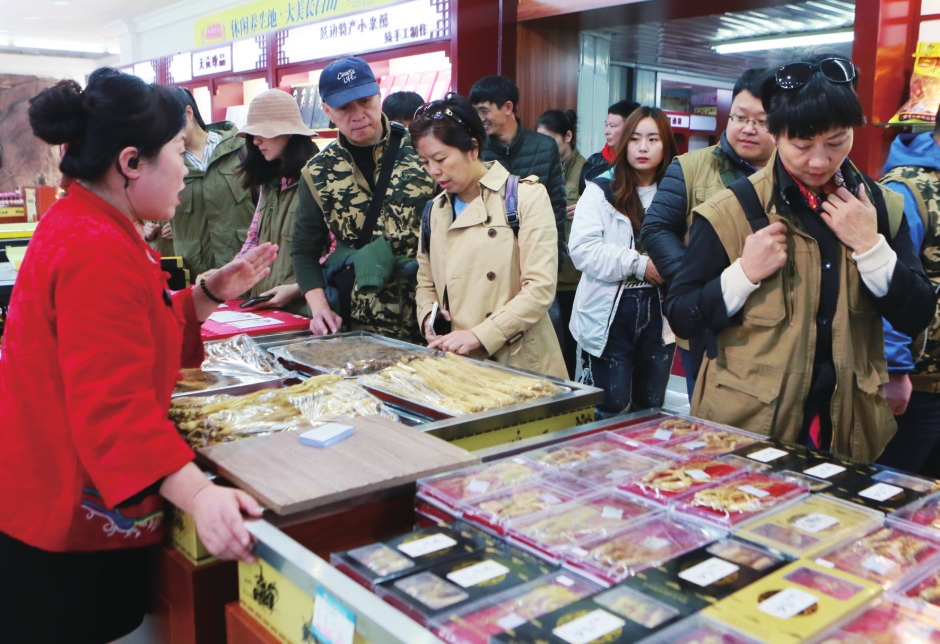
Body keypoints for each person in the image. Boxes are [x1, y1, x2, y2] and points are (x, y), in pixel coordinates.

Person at [1, 67, 277, 642]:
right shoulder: (94, 249)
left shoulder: (95, 223)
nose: (186, 167)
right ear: (131, 162)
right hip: (62, 523)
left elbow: (127, 333)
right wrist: (200, 495)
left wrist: (204, 295)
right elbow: (112, 409)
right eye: (178, 150)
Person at [665, 55, 936, 462]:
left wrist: (871, 248)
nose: (819, 161)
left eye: (836, 141)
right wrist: (743, 273)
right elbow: (682, 315)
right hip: (748, 426)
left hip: (848, 428)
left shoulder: (880, 207)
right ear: (776, 134)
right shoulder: (729, 210)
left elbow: (916, 315)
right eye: (802, 144)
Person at [642, 68, 775, 395]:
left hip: (771, 326)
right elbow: (656, 227)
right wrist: (690, 280)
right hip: (706, 323)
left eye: (761, 120)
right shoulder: (690, 167)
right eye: (740, 117)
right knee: (710, 418)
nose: (748, 128)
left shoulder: (790, 174)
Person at [411, 95, 565, 377]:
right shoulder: (435, 210)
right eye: (425, 162)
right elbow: (425, 282)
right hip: (458, 360)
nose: (433, 170)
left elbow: (540, 288)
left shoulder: (524, 197)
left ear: (472, 148)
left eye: (441, 158)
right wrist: (428, 319)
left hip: (518, 361)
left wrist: (481, 334)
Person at [292, 56, 436, 341]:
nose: (358, 114)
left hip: (429, 316)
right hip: (358, 322)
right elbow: (304, 249)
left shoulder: (425, 149)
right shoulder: (318, 171)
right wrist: (319, 308)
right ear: (326, 110)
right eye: (344, 107)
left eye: (366, 102)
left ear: (379, 95)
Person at [569, 106, 679, 417]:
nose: (643, 148)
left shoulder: (677, 191)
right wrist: (639, 264)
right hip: (610, 310)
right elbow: (582, 250)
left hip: (660, 312)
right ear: (623, 143)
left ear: (666, 145)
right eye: (635, 139)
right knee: (610, 406)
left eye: (653, 139)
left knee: (651, 406)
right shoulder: (600, 189)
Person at [875, 113, 940, 475]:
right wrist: (894, 370)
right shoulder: (906, 189)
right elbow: (887, 284)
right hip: (917, 383)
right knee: (890, 490)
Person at [234, 89, 319, 315]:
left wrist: (296, 289)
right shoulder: (269, 181)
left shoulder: (320, 178)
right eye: (253, 134)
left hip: (305, 310)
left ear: (289, 133)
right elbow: (254, 239)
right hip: (265, 304)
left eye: (263, 131)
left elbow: (334, 252)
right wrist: (227, 274)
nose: (256, 140)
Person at [469, 75, 568, 264]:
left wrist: (556, 256)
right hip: (491, 256)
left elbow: (556, 204)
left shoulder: (545, 147)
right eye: (475, 112)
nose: (479, 119)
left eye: (484, 111)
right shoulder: (476, 150)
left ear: (507, 107)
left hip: (535, 251)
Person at [167, 87, 257, 281]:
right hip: (195, 272)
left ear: (188, 113)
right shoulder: (167, 161)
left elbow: (264, 205)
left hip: (243, 267)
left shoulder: (239, 149)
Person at [537, 108, 586, 377]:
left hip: (571, 277)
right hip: (543, 271)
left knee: (567, 345)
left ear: (568, 137)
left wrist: (588, 207)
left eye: (550, 140)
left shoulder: (585, 170)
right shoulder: (541, 166)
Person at [579, 99, 640, 194]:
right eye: (606, 125)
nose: (606, 131)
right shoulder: (594, 161)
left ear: (631, 128)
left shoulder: (641, 163)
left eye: (612, 126)